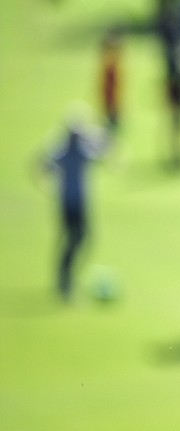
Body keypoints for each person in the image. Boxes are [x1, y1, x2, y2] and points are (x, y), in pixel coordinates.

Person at [43, 120, 106, 300]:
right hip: (72, 203)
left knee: (77, 239)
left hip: (75, 203)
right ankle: (65, 281)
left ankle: (66, 279)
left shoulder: (69, 150)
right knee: (74, 240)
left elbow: (44, 165)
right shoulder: (74, 151)